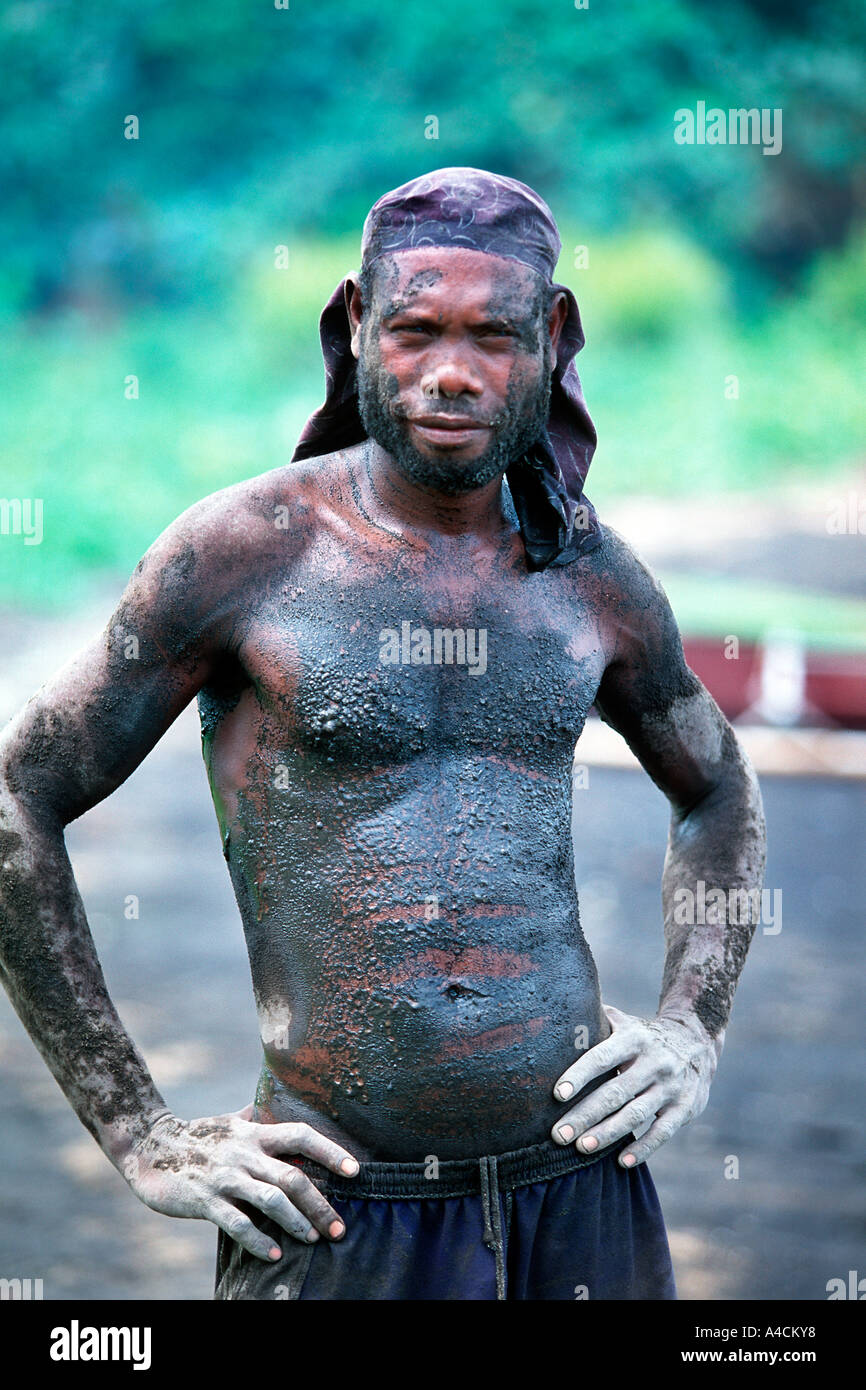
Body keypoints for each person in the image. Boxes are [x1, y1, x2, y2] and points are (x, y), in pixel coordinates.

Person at [0, 168, 766, 1300]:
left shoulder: (588, 574)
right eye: (414, 330)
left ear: (553, 338)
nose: (451, 372)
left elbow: (718, 788)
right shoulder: (243, 554)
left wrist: (690, 1030)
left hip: (581, 1194)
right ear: (356, 322)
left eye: (494, 336)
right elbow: (19, 798)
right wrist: (138, 1128)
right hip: (338, 1209)